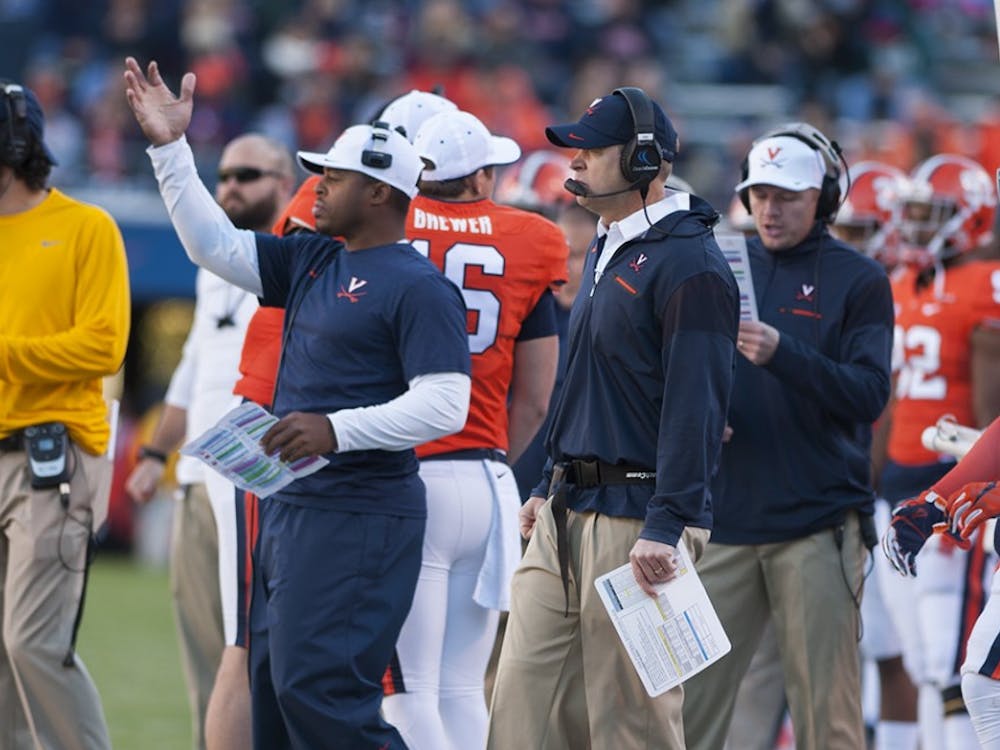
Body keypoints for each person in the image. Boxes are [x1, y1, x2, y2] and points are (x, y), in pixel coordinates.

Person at [123, 57, 472, 749]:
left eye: (333, 177)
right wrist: (170, 149)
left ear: (377, 192)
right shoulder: (315, 258)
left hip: (360, 511)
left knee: (324, 695)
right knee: (278, 693)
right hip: (291, 505)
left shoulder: (419, 284)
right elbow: (212, 244)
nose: (316, 186)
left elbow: (445, 404)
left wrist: (335, 430)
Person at [486, 86, 740, 749]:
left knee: (633, 726)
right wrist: (547, 482)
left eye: (592, 148)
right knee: (517, 711)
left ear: (646, 159)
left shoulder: (692, 265)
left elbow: (698, 405)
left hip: (638, 520)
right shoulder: (607, 246)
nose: (575, 159)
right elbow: (581, 381)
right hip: (568, 507)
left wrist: (667, 523)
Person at [681, 122, 895, 750]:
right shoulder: (719, 262)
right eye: (761, 196)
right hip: (724, 519)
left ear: (824, 198)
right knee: (691, 713)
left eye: (788, 197)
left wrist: (784, 354)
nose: (770, 211)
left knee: (826, 715)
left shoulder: (859, 278)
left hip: (817, 520)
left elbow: (869, 394)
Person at [378, 111, 567, 750]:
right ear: (483, 174)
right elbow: (536, 398)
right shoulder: (531, 238)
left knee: (406, 690)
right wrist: (491, 463)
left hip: (407, 476)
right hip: (487, 478)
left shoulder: (389, 229)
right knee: (462, 688)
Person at [124, 132, 294, 750]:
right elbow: (193, 368)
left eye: (247, 173)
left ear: (284, 180)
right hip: (198, 475)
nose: (230, 186)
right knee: (204, 647)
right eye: (223, 174)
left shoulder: (296, 252)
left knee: (250, 644)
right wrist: (152, 453)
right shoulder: (214, 263)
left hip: (257, 474)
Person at [0, 79, 129, 750]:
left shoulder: (85, 227)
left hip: (51, 459)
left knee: (32, 642)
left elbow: (104, 345)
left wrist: (4, 355)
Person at [875, 153, 1000, 749]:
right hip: (908, 480)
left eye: (933, 215)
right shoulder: (901, 282)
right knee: (932, 662)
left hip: (961, 485)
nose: (917, 229)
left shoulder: (985, 283)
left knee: (963, 667)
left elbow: (988, 410)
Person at [831, 160, 921, 750]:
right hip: (853, 481)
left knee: (914, 651)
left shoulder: (911, 290)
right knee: (874, 645)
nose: (847, 242)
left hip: (900, 485)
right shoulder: (852, 287)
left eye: (861, 230)